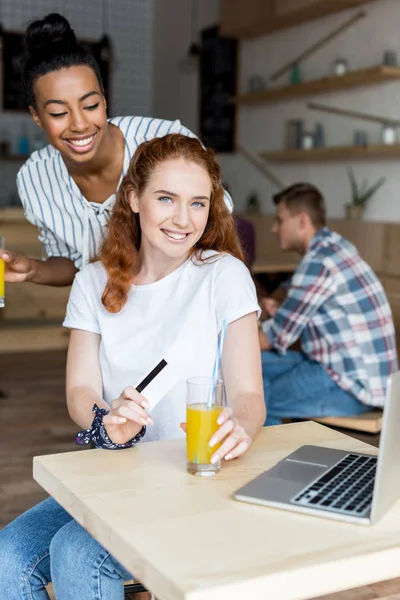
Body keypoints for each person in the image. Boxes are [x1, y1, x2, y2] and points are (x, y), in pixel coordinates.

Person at [0, 133, 265, 599]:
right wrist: (107, 422)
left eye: (198, 203)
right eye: (166, 198)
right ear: (134, 198)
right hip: (117, 475)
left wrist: (239, 427)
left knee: (78, 555)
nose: (184, 219)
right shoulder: (91, 281)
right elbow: (80, 391)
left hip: (194, 475)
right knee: (7, 557)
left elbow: (248, 397)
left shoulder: (223, 275)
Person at [0, 13, 233, 287]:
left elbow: (215, 228)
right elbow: (73, 264)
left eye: (90, 106)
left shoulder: (163, 142)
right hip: (112, 310)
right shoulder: (36, 179)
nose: (79, 124)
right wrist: (32, 270)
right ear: (37, 116)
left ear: (104, 99)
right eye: (58, 112)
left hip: (188, 297)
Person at [258, 183, 397, 426]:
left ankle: (271, 462)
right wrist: (280, 299)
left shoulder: (318, 262)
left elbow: (273, 338)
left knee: (258, 399)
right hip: (354, 372)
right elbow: (290, 286)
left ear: (301, 221)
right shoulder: (335, 245)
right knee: (257, 368)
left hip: (353, 385)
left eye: (280, 220)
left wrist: (218, 341)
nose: (274, 228)